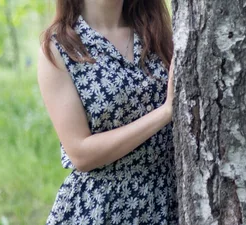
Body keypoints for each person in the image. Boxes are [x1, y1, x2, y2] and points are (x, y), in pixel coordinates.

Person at [36, 0, 177, 224]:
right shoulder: (59, 47)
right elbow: (81, 153)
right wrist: (165, 112)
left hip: (169, 200)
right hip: (105, 208)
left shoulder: (157, 31)